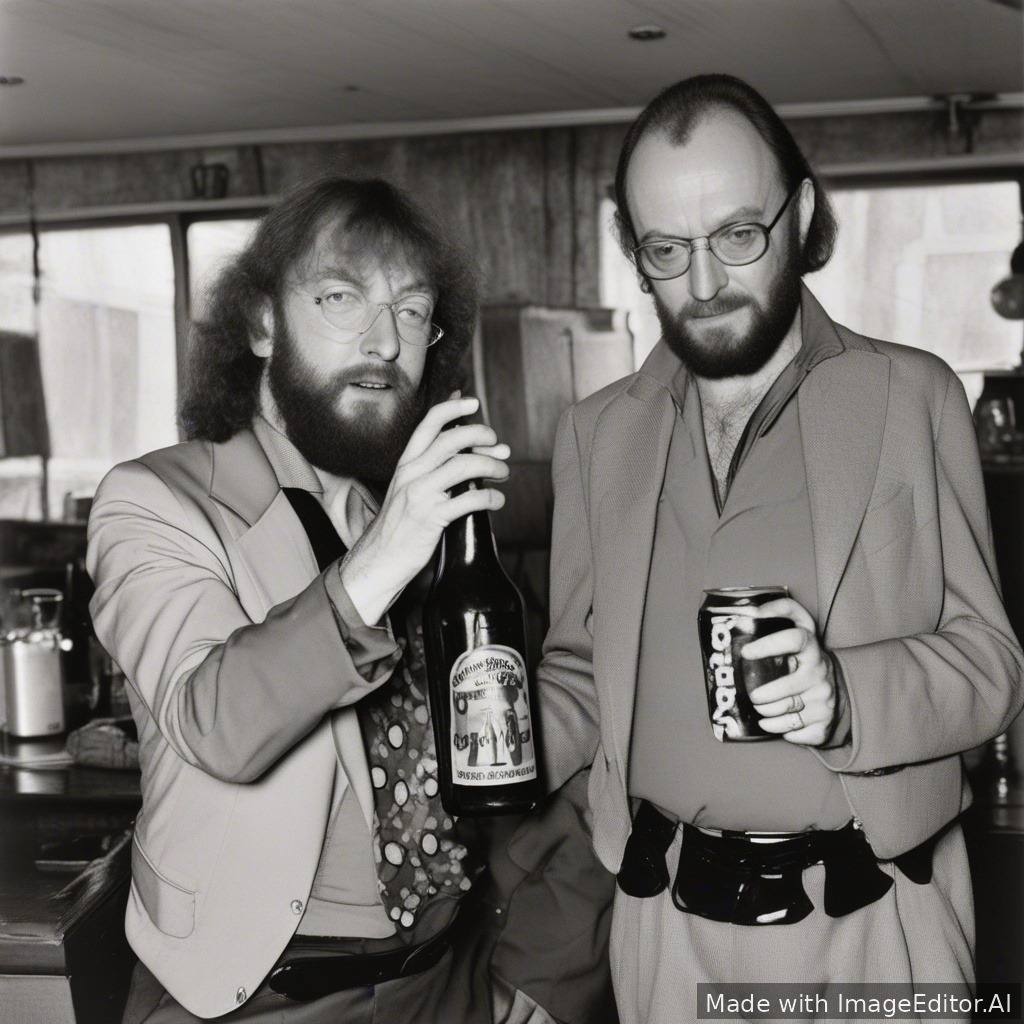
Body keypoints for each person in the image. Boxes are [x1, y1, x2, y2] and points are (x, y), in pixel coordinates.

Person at [536, 73, 1024, 1024]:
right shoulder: (596, 436)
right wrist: (474, 739)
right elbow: (580, 670)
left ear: (799, 212)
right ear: (633, 253)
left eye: (738, 235)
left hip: (877, 924)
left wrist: (846, 691)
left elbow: (991, 666)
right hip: (665, 931)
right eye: (667, 250)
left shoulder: (913, 397)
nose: (706, 283)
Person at [87, 175, 615, 1024]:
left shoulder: (440, 522)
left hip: (452, 982)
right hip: (252, 999)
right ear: (262, 321)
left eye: (412, 312)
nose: (384, 341)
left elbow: (560, 735)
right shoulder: (154, 502)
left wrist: (550, 968)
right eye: (342, 297)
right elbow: (214, 722)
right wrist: (382, 560)